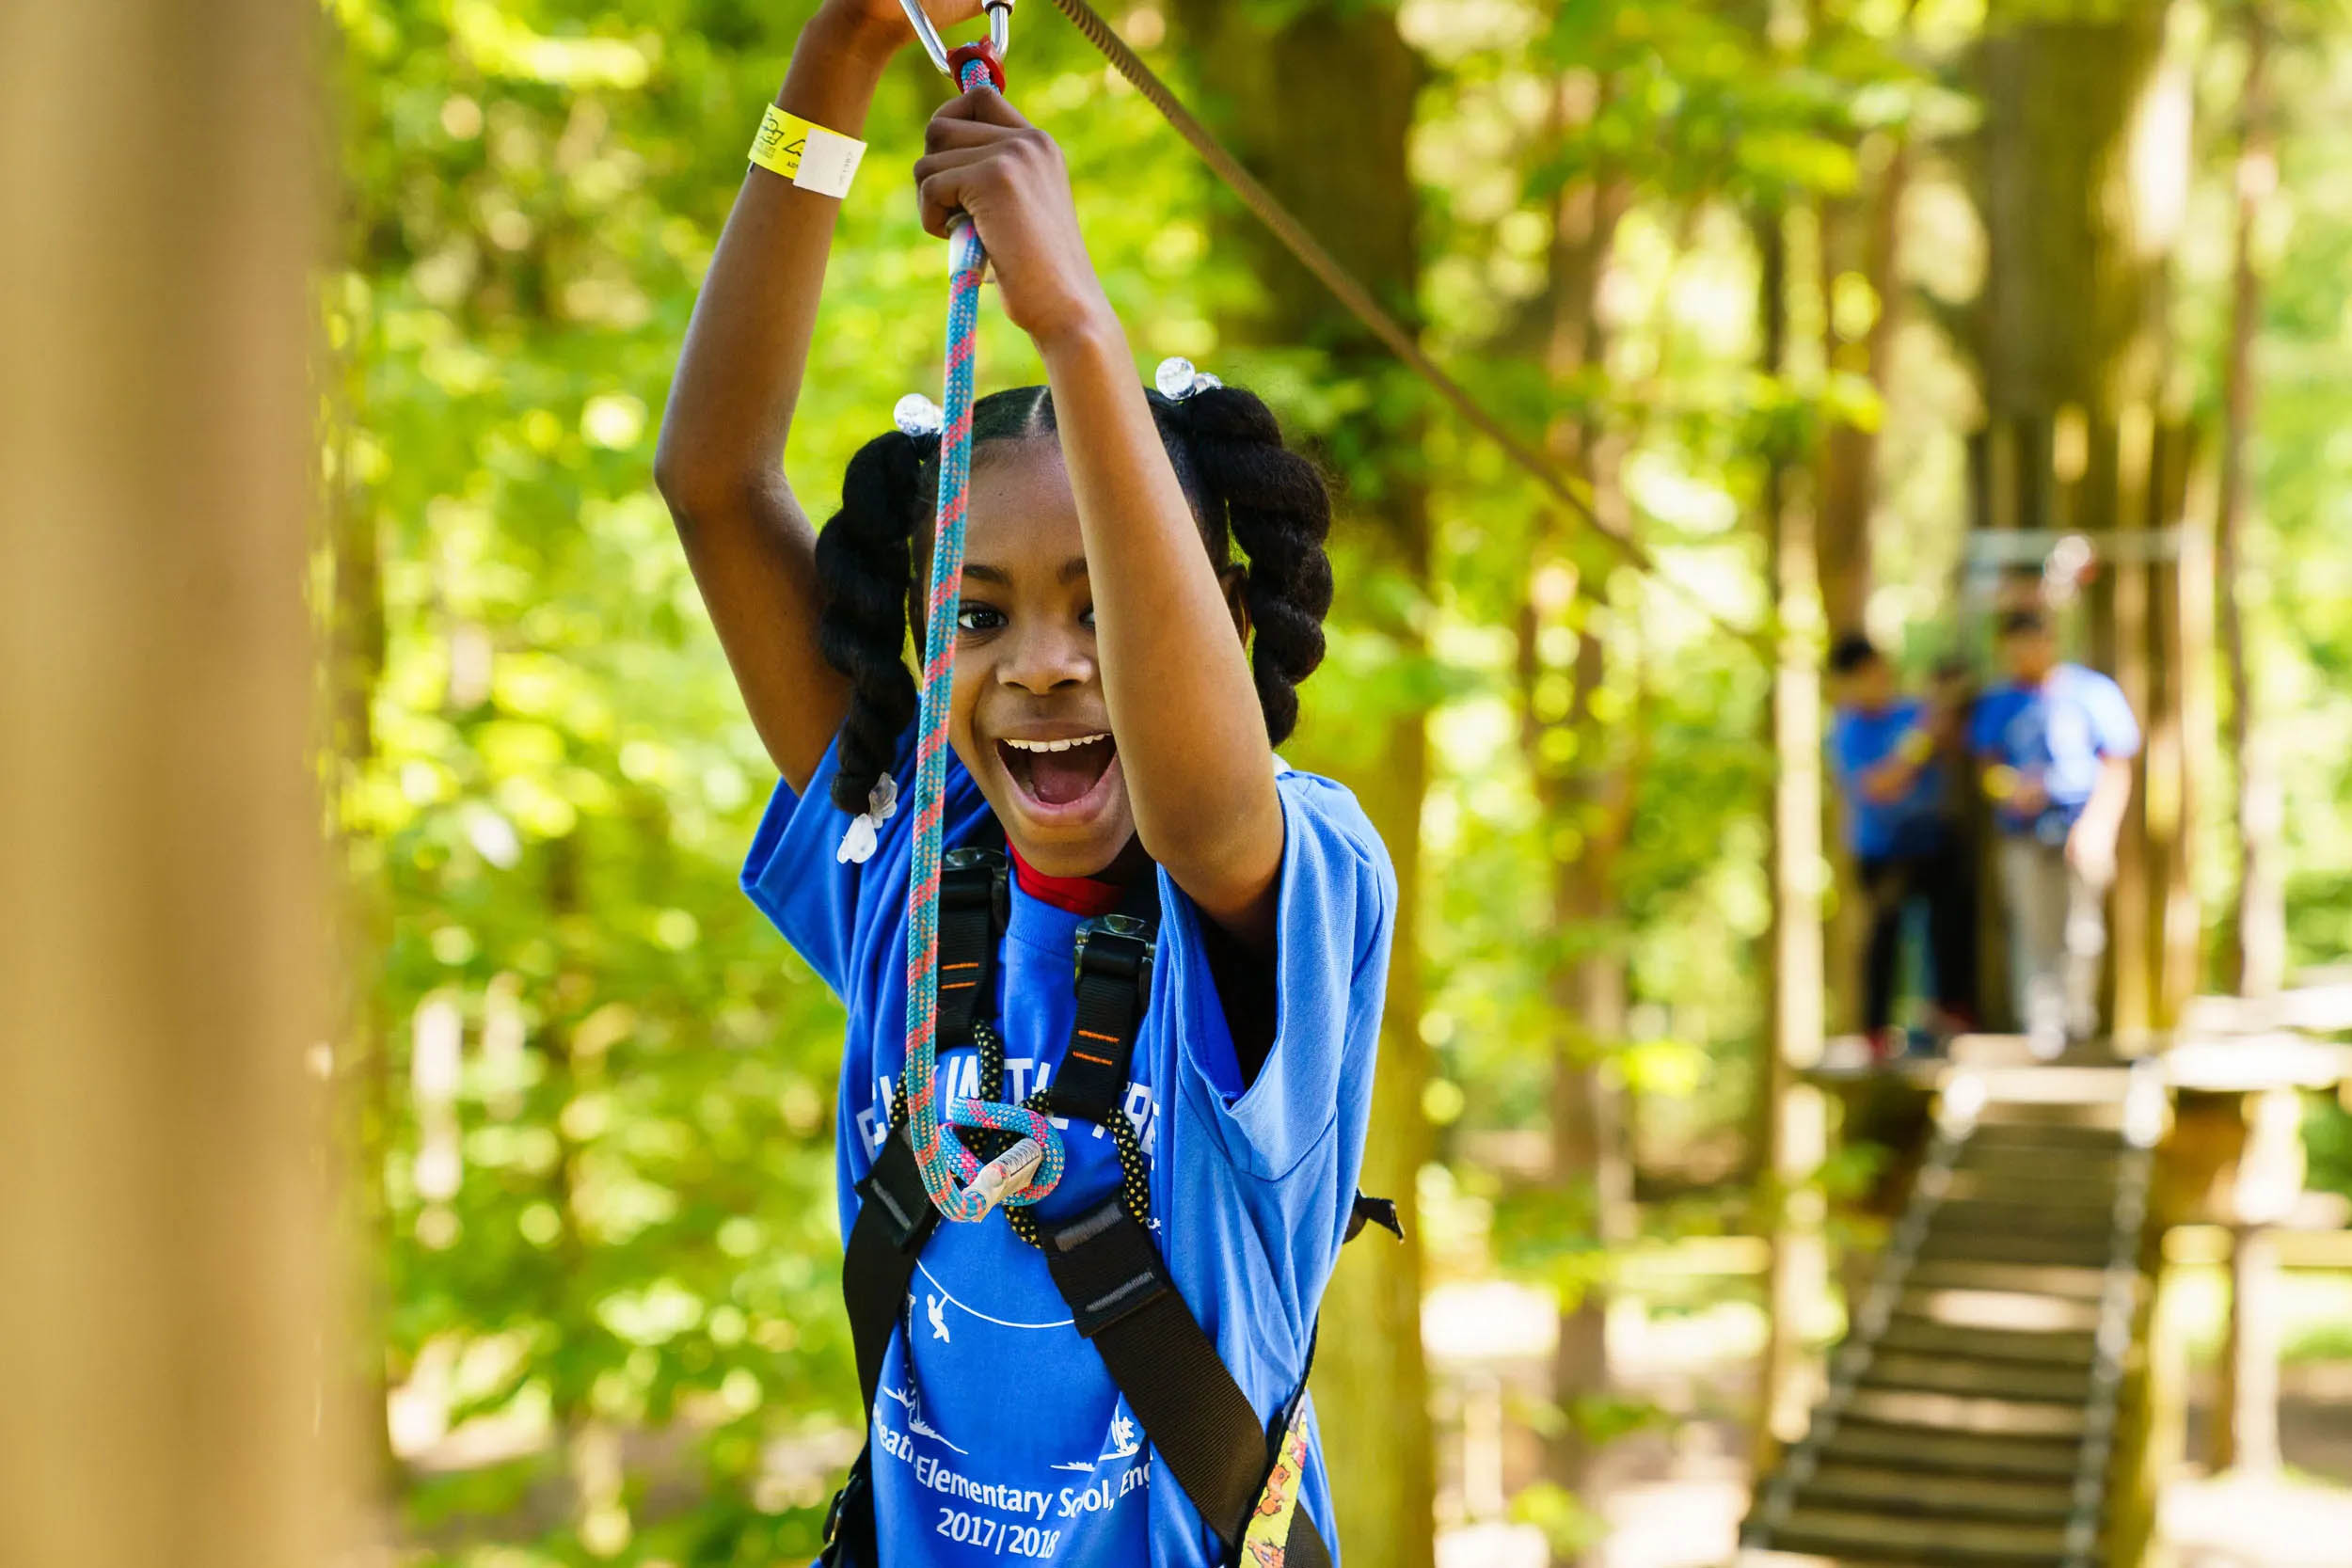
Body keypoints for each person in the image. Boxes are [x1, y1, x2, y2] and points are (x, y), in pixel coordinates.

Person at [652, 3, 1398, 1563]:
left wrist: (1075, 328)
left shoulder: (1284, 903)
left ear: (1215, 623)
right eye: (978, 613)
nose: (1048, 663)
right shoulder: (908, 883)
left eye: (1104, 605)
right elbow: (714, 482)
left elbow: (1204, 811)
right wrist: (840, 56)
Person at [1967, 608, 2139, 1057]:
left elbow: (2116, 765)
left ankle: (2078, 1024)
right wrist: (2010, 791)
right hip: (2022, 832)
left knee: (2081, 931)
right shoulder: (1999, 702)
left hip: (2079, 824)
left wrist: (2098, 827)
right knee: (2032, 928)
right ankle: (2040, 1029)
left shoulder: (2092, 692)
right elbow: (1987, 768)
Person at [1827, 633, 1977, 1060]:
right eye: (1866, 676)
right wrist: (1919, 741)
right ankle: (1876, 1031)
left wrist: (1946, 707)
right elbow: (1879, 786)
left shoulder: (1912, 711)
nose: (1879, 682)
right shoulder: (1848, 731)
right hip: (1882, 851)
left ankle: (1947, 1015)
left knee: (1948, 929)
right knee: (1883, 939)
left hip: (1934, 840)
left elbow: (1952, 740)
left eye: (1881, 671)